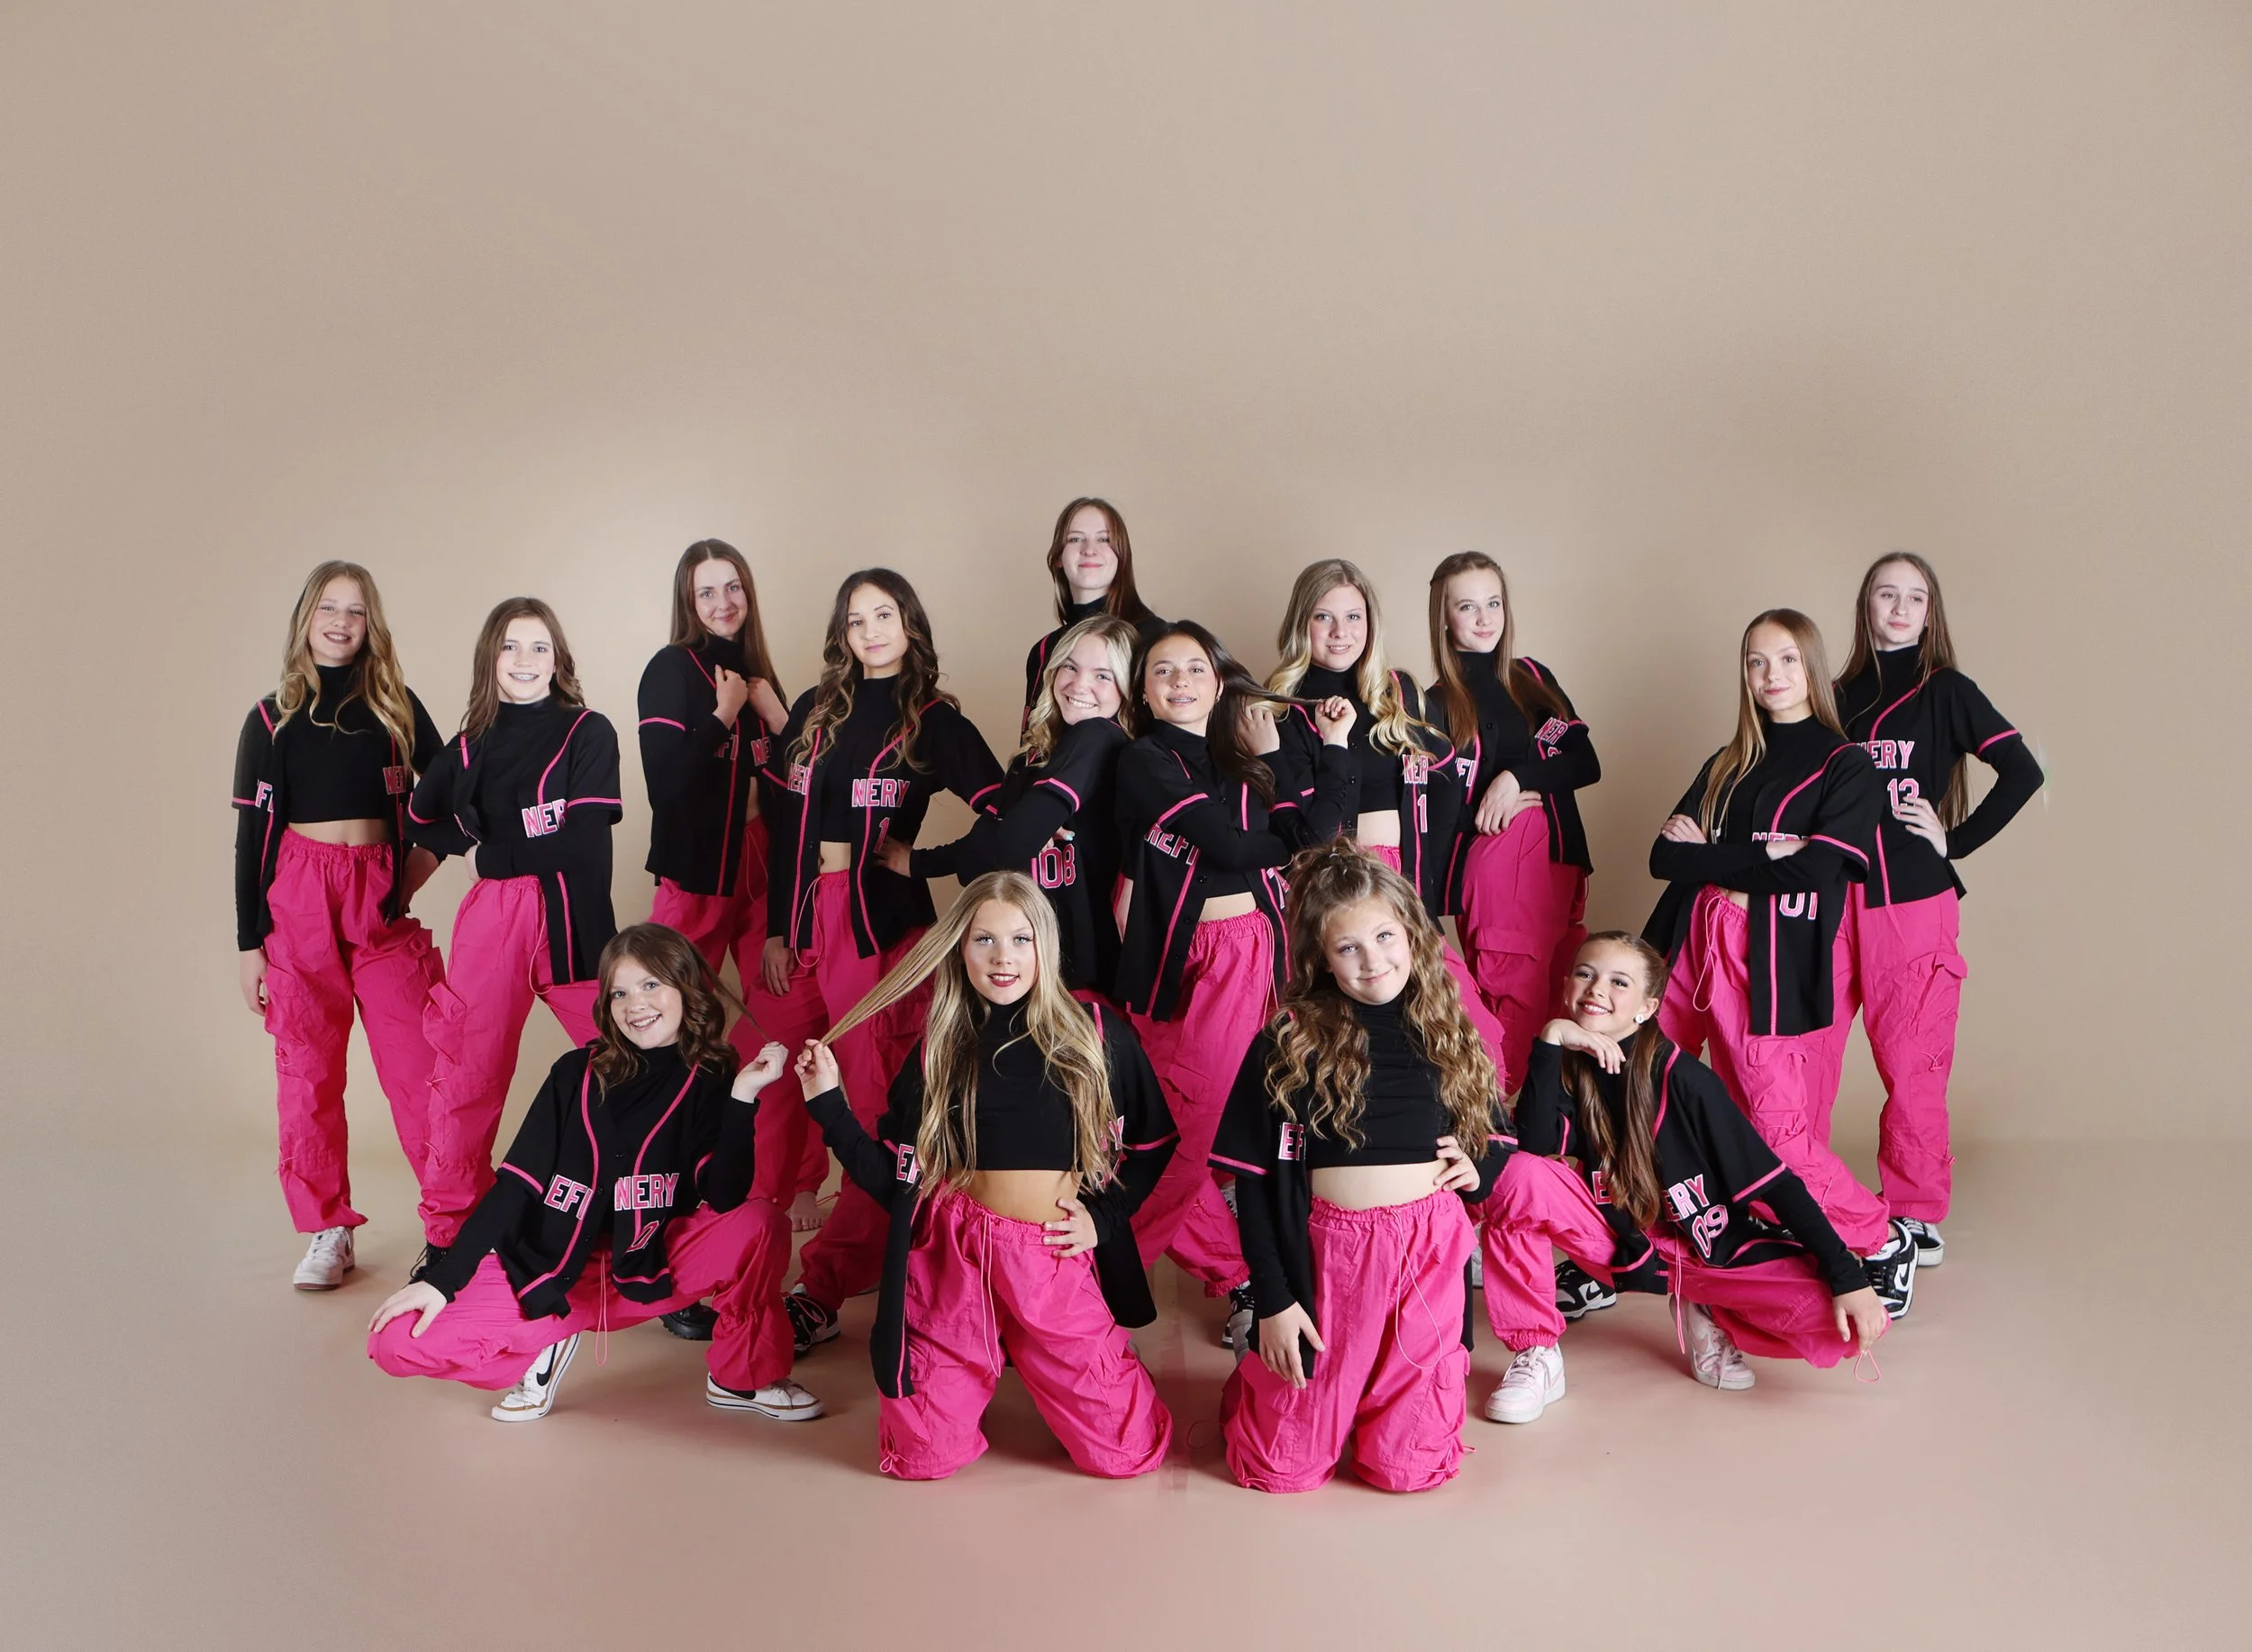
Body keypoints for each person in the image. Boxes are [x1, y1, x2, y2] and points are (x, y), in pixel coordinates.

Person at [795, 872, 1176, 1479]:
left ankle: (1086, 1362)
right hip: (952, 1254)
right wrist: (828, 1106)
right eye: (984, 940)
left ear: (1043, 946)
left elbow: (1156, 1143)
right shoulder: (939, 1045)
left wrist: (1104, 1221)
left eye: (1021, 939)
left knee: (1127, 1456)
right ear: (959, 947)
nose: (1004, 958)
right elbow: (892, 1185)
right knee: (921, 1457)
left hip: (1048, 1256)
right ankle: (967, 1362)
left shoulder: (1096, 1033)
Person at [366, 925, 821, 1423]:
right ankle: (546, 1338)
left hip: (650, 1264)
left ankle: (741, 1377)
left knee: (761, 1223)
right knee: (395, 1342)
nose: (635, 1005)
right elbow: (516, 1185)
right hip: (549, 1273)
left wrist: (742, 1099)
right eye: (620, 992)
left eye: (652, 985)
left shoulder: (710, 1076)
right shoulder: (573, 1073)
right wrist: (442, 1280)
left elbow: (725, 1194)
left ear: (685, 988)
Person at [1479, 932, 1891, 1422]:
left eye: (1619, 981)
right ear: (1567, 986)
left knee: (1836, 1318)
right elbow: (1533, 1146)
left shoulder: (1685, 1080)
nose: (1596, 988)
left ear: (1647, 1007)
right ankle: (1538, 1353)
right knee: (1514, 1178)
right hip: (1615, 1241)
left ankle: (1700, 1305)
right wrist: (1550, 1040)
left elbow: (1776, 1185)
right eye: (1586, 974)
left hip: (1700, 1252)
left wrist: (1848, 1277)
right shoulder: (1567, 1065)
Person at [1644, 608, 1920, 1318]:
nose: (1771, 676)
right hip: (1688, 943)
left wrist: (1717, 859)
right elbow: (1662, 858)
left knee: (1773, 1131)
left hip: (1767, 957)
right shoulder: (1728, 761)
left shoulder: (1846, 764)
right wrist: (1766, 852)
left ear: (1812, 668)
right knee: (1639, 1084)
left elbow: (1821, 869)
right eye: (1756, 662)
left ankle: (1880, 1239)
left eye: (1787, 659)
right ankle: (1643, 1244)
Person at [1211, 845, 1509, 1493]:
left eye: (1384, 937)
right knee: (1282, 1469)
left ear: (1412, 933)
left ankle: (1393, 1403)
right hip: (1330, 1257)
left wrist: (1476, 1165)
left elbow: (1492, 1138)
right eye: (1349, 948)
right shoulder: (1289, 1039)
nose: (1373, 960)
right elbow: (1256, 1186)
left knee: (1410, 1471)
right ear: (1320, 957)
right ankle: (1266, 1384)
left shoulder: (1448, 1024)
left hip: (1430, 1248)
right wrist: (1275, 1301)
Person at [763, 569, 1005, 1353]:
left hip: (883, 930)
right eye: (856, 618)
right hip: (806, 923)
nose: (870, 630)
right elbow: (782, 825)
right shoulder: (814, 710)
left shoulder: (932, 720)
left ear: (910, 624)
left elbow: (1005, 816)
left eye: (885, 615)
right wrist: (775, 927)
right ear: (842, 632)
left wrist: (928, 861)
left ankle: (825, 1285)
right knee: (774, 1080)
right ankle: (767, 1256)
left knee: (870, 1101)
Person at [1113, 621, 1348, 1349]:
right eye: (1162, 671)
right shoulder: (1143, 759)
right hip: (1182, 965)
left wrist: (1328, 748)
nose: (1179, 680)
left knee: (1206, 1136)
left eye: (1194, 667)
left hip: (1256, 953)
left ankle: (1149, 1286)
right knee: (1170, 1140)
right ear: (1145, 693)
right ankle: (1116, 1284)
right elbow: (1236, 845)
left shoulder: (1242, 758)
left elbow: (1325, 825)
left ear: (1218, 684)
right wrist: (1291, 825)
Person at [232, 561, 446, 1288]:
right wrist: (248, 943)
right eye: (330, 607)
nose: (342, 622)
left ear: (371, 625)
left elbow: (454, 795)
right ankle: (328, 1228)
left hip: (380, 899)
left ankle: (451, 1227)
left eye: (356, 611)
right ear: (306, 618)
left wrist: (410, 871)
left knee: (422, 1070)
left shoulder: (397, 707)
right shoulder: (271, 718)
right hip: (298, 901)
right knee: (308, 1074)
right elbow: (252, 838)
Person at [1830, 552, 2043, 1265]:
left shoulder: (1945, 691)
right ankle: (1795, 1195)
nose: (1898, 607)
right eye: (1886, 594)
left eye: (1914, 598)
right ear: (1866, 605)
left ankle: (1915, 1213)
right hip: (1829, 898)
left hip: (1912, 901)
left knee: (1913, 1061)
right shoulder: (1832, 695)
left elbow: (2022, 772)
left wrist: (1954, 841)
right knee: (1799, 1053)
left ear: (1930, 613)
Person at [405, 596, 622, 1268]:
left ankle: (637, 1234)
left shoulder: (589, 731)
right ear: (489, 659)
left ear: (558, 661)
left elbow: (581, 839)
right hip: (492, 923)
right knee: (466, 1076)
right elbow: (420, 818)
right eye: (509, 647)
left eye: (538, 648)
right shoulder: (468, 747)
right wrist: (473, 841)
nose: (524, 661)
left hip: (574, 918)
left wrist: (490, 854)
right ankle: (450, 1237)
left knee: (630, 1069)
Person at [637, 540, 829, 1259]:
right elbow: (666, 789)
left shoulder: (761, 674)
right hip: (697, 878)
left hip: (764, 871)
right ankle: (656, 1188)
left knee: (788, 1020)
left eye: (733, 589)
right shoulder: (670, 671)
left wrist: (779, 721)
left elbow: (807, 793)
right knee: (668, 1029)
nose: (722, 603)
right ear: (688, 602)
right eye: (706, 592)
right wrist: (721, 715)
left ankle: (790, 1181)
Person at [1425, 551, 1601, 1094]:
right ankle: (1501, 1147)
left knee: (1567, 1009)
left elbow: (1584, 762)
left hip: (1561, 866)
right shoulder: (1435, 705)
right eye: (1467, 606)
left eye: (1494, 603)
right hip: (1502, 869)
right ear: (1445, 618)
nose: (1484, 618)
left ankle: (1547, 1152)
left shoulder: (1532, 678)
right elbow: (1436, 810)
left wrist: (1515, 779)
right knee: (1513, 1010)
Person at [891, 613, 1138, 998]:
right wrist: (919, 862)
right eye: (1069, 666)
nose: (1080, 684)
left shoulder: (1100, 737)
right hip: (1025, 958)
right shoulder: (1033, 757)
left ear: (1126, 688)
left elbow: (1002, 848)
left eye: (1103, 675)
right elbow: (988, 849)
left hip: (1081, 966)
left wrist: (1017, 828)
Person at [1019, 496, 1167, 716]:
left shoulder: (1153, 637)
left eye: (1104, 539)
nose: (1089, 549)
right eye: (1075, 539)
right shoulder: (1043, 650)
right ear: (1058, 557)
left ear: (1121, 555)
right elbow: (1033, 741)